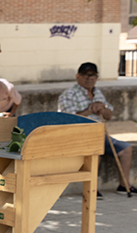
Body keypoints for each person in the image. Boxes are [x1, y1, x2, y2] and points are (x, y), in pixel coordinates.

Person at [58, 62, 135, 196]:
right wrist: (89, 110)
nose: (90, 78)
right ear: (78, 76)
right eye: (86, 75)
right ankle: (91, 189)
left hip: (98, 133)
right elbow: (68, 119)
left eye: (93, 75)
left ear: (97, 77)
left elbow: (109, 115)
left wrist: (102, 109)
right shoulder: (69, 94)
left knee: (126, 149)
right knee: (96, 151)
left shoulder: (97, 92)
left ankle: (124, 186)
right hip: (78, 135)